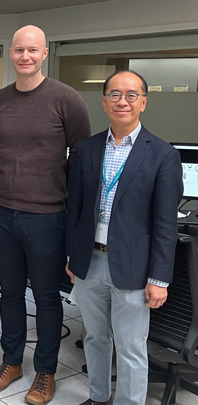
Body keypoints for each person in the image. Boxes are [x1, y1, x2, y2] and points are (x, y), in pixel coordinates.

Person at [0, 25, 91, 404]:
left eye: (32, 50)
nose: (25, 56)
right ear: (10, 54)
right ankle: (12, 362)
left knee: (46, 297)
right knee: (9, 293)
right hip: (2, 214)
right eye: (18, 50)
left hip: (47, 217)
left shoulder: (67, 99)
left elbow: (82, 159)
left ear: (45, 53)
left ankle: (45, 372)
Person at [66, 70, 183, 405]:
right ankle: (99, 397)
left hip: (133, 266)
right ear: (104, 102)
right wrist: (73, 257)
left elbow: (165, 224)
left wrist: (159, 278)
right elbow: (74, 210)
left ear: (143, 102)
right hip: (90, 261)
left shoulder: (162, 154)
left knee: (131, 346)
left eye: (132, 95)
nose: (123, 101)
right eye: (115, 94)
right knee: (94, 339)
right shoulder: (86, 150)